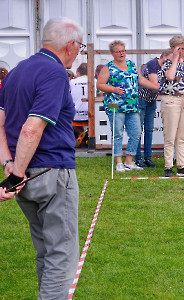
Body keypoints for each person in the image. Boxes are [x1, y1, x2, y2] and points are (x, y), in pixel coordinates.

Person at [0, 17, 84, 298]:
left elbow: (1, 124)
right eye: (80, 47)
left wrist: (10, 165)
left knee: (46, 252)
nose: (78, 53)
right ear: (70, 45)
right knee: (61, 255)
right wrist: (15, 171)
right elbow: (31, 129)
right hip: (50, 173)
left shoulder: (16, 72)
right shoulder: (55, 73)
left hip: (25, 177)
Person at [97, 40, 159, 172]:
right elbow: (100, 84)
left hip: (132, 105)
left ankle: (129, 161)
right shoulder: (108, 67)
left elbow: (140, 79)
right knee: (117, 133)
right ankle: (119, 162)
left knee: (136, 133)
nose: (121, 53)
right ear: (112, 53)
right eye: (118, 51)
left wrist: (154, 87)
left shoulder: (131, 64)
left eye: (123, 51)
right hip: (115, 105)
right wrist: (113, 89)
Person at [159, 35, 184, 177]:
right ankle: (168, 166)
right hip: (171, 100)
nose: (182, 51)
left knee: (182, 136)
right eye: (179, 48)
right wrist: (174, 59)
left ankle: (181, 165)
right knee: (170, 135)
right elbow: (170, 77)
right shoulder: (167, 64)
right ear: (173, 48)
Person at [134, 49, 172, 168]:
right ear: (165, 56)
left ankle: (147, 158)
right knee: (138, 130)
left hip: (151, 100)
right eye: (170, 59)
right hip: (141, 99)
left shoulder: (164, 67)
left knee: (149, 130)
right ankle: (137, 158)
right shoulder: (152, 64)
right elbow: (155, 84)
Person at [70, 63, 89, 141]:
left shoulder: (72, 82)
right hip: (91, 115)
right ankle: (88, 135)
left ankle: (81, 133)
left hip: (75, 114)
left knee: (68, 118)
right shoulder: (95, 81)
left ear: (78, 73)